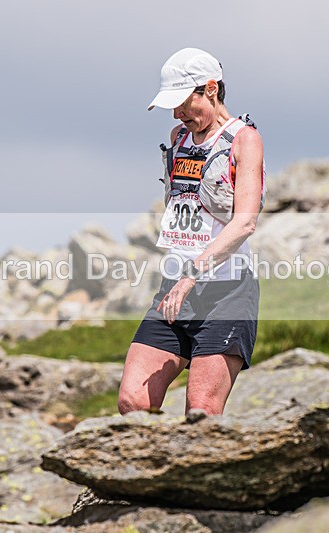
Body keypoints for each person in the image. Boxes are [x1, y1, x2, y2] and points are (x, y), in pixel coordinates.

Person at [118, 47, 266, 416]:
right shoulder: (179, 137)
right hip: (175, 291)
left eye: (184, 103)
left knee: (200, 411)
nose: (177, 114)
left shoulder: (244, 140)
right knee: (133, 402)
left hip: (227, 295)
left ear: (211, 89)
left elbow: (245, 222)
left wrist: (192, 274)